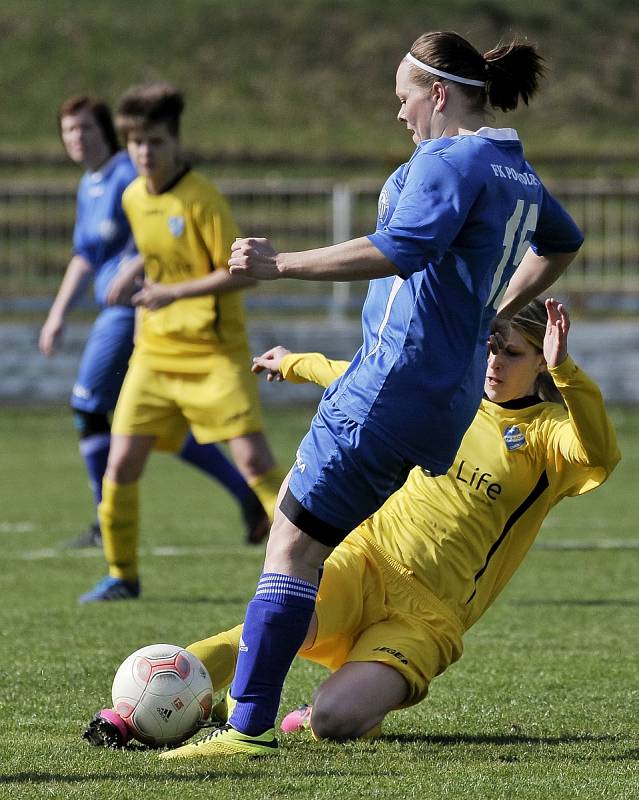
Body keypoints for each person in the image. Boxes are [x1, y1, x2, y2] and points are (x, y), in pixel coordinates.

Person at [163, 31, 586, 755]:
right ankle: (294, 689)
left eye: (403, 99)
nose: (400, 115)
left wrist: (279, 264)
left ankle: (246, 729)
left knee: (292, 547)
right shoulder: (513, 168)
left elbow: (401, 248)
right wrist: (491, 309)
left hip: (388, 387)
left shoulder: (449, 159)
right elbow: (563, 241)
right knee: (314, 544)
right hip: (443, 401)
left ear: (439, 95)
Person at [83, 299, 620, 750]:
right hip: (364, 560)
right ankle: (132, 714)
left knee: (336, 721)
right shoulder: (446, 398)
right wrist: (294, 363)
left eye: (513, 352)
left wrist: (567, 369)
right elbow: (362, 378)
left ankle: (327, 711)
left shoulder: (547, 434)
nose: (495, 361)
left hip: (428, 617)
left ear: (540, 362)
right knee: (269, 631)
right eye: (490, 346)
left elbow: (600, 450)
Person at [78, 83, 284, 603]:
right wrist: (133, 270)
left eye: (156, 142)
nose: (145, 153)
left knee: (257, 464)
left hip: (214, 353)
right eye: (136, 143)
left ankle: (309, 567)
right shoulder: (131, 196)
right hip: (154, 354)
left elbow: (240, 274)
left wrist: (173, 292)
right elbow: (157, 252)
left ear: (176, 142)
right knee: (121, 465)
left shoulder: (202, 198)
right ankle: (121, 575)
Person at [39, 96, 269, 551]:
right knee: (139, 441)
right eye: (68, 131)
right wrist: (62, 310)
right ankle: (120, 562)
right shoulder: (109, 188)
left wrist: (145, 276)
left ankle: (299, 542)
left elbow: (190, 240)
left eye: (84, 129)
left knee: (92, 405)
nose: (75, 139)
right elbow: (98, 251)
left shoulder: (162, 185)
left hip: (176, 329)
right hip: (147, 331)